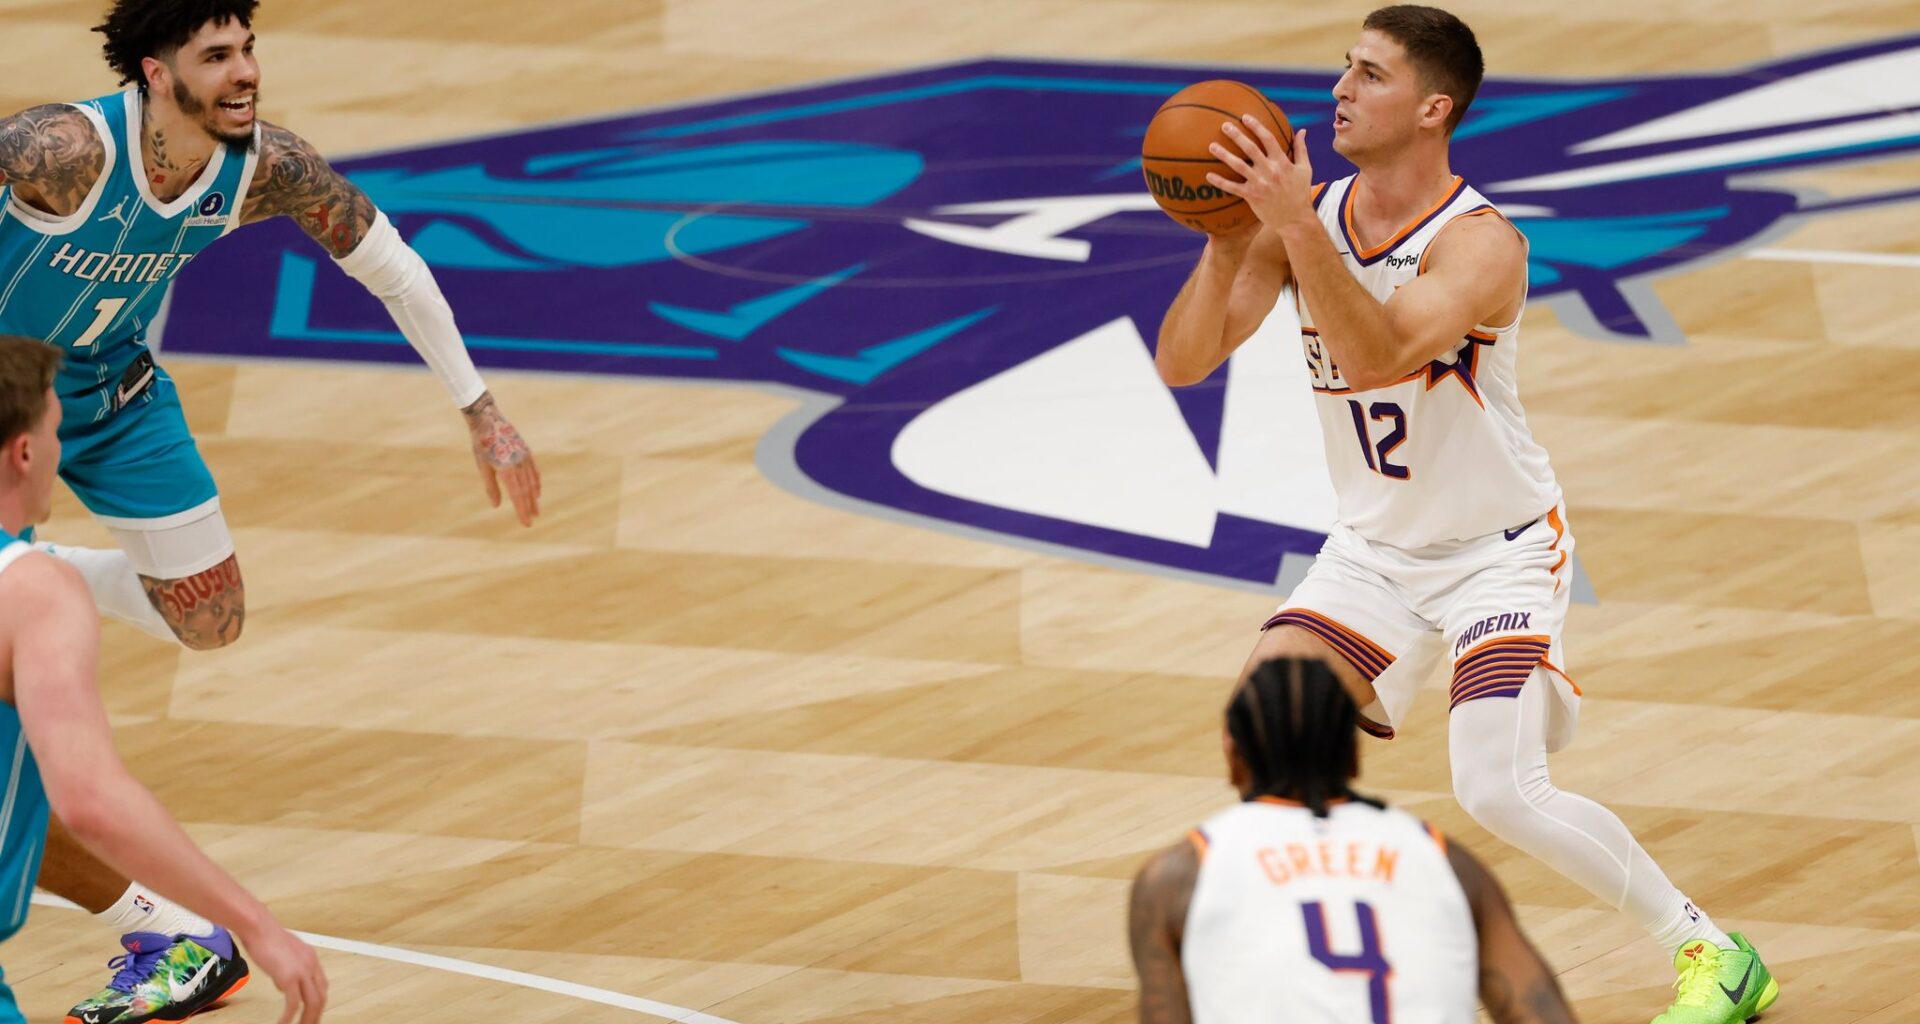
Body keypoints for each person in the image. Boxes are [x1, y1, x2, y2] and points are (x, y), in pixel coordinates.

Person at [1153, 7, 1777, 1023]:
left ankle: (1713, 952)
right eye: (1343, 67)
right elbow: (1184, 360)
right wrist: (1230, 240)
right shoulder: (1305, 223)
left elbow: (1377, 356)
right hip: (1372, 553)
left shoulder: (1481, 244)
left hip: (1500, 554)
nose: (1340, 89)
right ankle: (1319, 964)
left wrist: (1295, 227)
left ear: (1433, 107)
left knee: (1498, 788)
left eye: (1369, 73)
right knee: (1266, 733)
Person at [0, 2, 541, 1019]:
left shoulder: (263, 167)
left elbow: (387, 260)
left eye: (247, 48)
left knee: (208, 616)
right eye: (217, 56)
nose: (245, 71)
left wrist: (482, 408)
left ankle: (32, 582)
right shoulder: (63, 151)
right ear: (158, 74)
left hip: (108, 390)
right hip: (1, 402)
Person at [0, 336, 325, 1024]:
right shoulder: (34, 592)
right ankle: (191, 932)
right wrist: (259, 926)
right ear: (25, 452)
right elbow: (89, 800)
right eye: (56, 432)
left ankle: (180, 933)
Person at [1130, 656, 1577, 1023]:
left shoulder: (1179, 877)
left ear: (1233, 757)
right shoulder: (1444, 861)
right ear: (1353, 756)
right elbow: (1543, 1013)